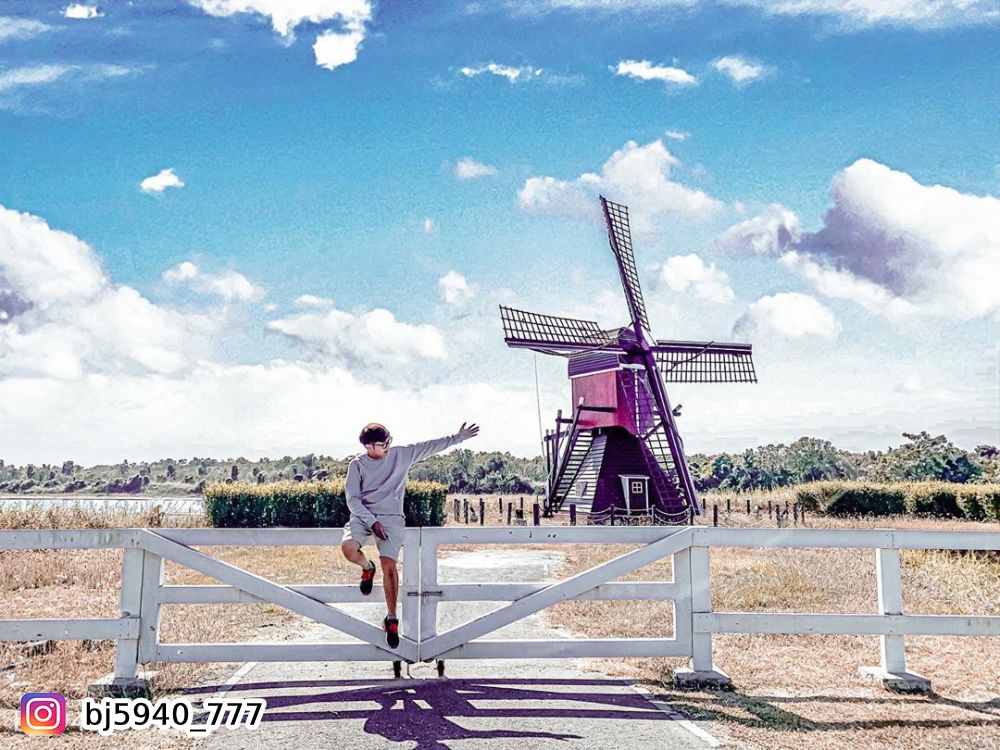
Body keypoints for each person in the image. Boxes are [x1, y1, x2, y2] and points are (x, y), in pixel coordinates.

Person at [341, 421, 480, 648]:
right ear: (369, 446)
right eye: (383, 444)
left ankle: (391, 619)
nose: (388, 446)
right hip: (363, 516)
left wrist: (458, 437)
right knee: (348, 549)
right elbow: (352, 500)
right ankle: (367, 568)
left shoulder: (401, 455)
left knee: (389, 565)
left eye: (388, 441)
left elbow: (429, 446)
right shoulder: (357, 465)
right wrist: (372, 522)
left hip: (392, 517)